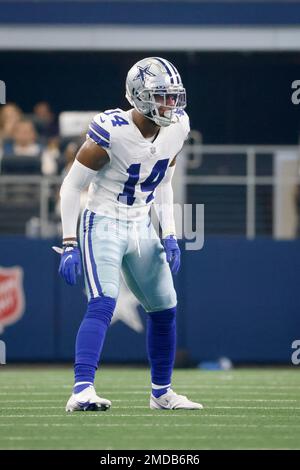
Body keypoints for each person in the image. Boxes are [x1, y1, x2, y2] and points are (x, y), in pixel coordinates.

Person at [54, 57, 203, 412]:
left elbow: (165, 182)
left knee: (165, 306)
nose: (171, 104)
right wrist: (69, 243)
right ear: (139, 95)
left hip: (140, 223)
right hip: (103, 220)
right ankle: (82, 390)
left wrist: (169, 233)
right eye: (162, 96)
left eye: (173, 96)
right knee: (103, 302)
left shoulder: (178, 126)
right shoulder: (112, 130)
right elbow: (71, 187)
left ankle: (161, 394)